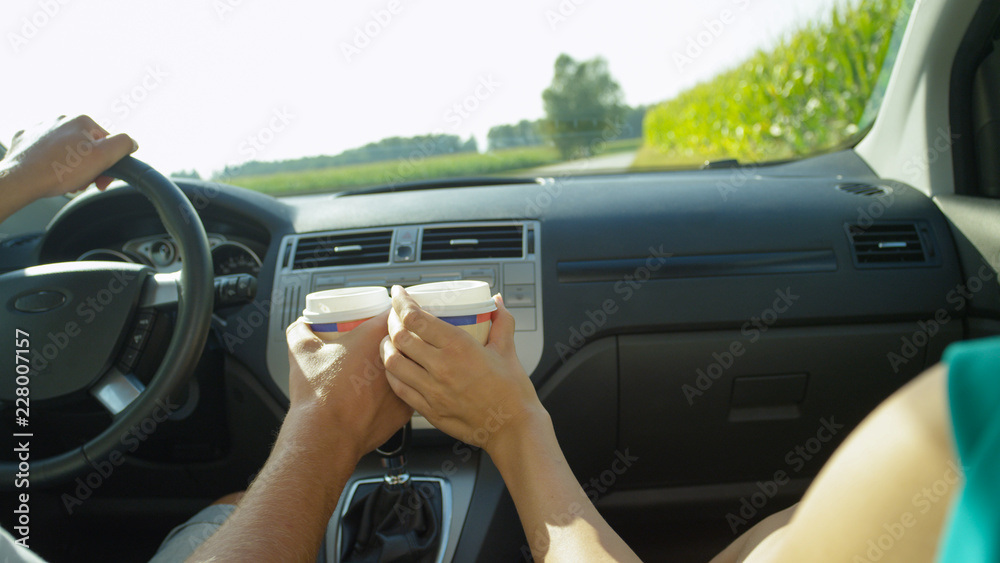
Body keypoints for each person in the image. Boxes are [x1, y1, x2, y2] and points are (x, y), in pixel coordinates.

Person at [2, 116, 996, 562]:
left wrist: (325, 424)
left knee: (228, 507)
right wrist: (512, 423)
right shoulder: (958, 438)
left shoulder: (948, 441)